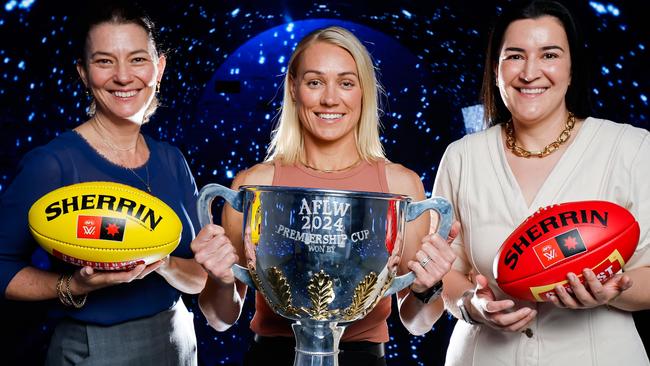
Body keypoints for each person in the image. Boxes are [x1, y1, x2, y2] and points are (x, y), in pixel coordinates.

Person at [191, 26, 458, 365]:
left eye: (346, 83)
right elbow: (220, 317)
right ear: (293, 88)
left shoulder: (400, 186)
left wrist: (428, 286)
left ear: (363, 92)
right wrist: (218, 277)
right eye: (315, 82)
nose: (330, 99)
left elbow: (418, 322)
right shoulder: (255, 184)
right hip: (271, 357)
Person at [433, 1, 650, 365]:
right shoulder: (462, 157)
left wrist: (609, 294)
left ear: (572, 68)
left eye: (549, 54)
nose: (530, 72)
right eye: (515, 56)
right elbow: (444, 274)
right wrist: (472, 305)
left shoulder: (631, 148)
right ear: (496, 69)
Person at [0, 2, 207, 365]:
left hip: (179, 339)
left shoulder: (173, 160)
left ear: (159, 68)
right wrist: (71, 287)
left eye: (138, 59)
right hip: (95, 347)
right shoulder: (52, 163)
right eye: (104, 61)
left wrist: (163, 262)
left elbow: (199, 279)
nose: (124, 76)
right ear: (83, 73)